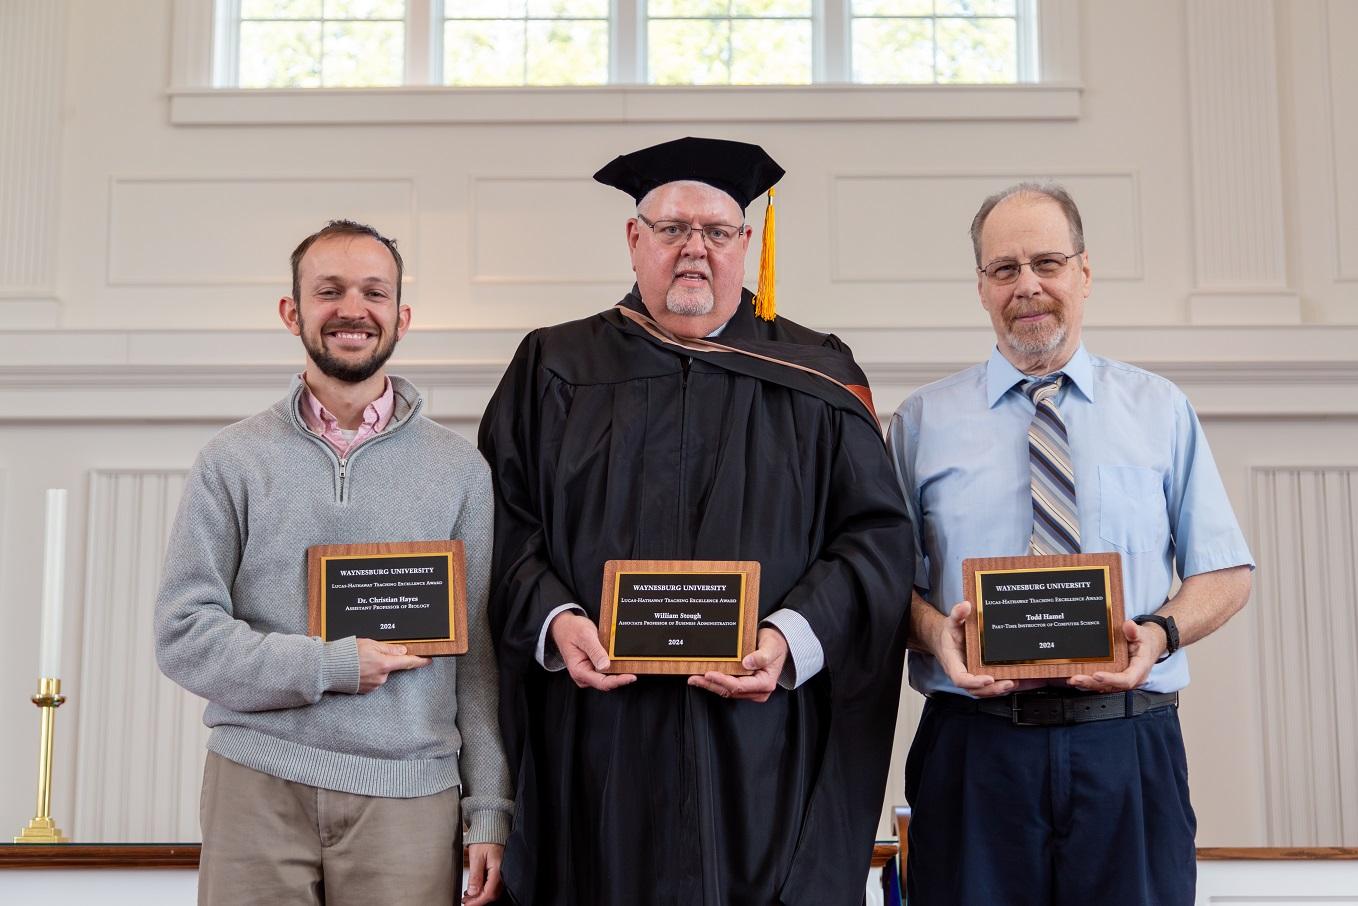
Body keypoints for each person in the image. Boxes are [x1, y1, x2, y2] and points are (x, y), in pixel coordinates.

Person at [478, 136, 914, 906]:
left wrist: (788, 639)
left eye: (715, 232)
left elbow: (876, 540)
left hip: (763, 740)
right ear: (634, 239)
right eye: (673, 228)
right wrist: (558, 622)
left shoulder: (818, 376)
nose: (694, 250)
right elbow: (502, 528)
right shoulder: (554, 367)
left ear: (747, 245)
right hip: (599, 738)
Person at [887, 183, 1254, 905]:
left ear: (1084, 274)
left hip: (1128, 745)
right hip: (973, 748)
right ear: (982, 287)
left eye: (1047, 262)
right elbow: (882, 586)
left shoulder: (1160, 410)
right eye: (1005, 269)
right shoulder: (920, 423)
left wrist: (1160, 632)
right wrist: (936, 632)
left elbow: (1225, 572)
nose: (1028, 285)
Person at [154, 220, 512, 906]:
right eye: (330, 290)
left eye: (374, 292)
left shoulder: (461, 471)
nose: (353, 309)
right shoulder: (232, 461)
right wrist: (331, 665)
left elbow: (480, 661)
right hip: (257, 782)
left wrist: (489, 805)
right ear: (293, 312)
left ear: (401, 317)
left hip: (411, 795)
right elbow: (183, 634)